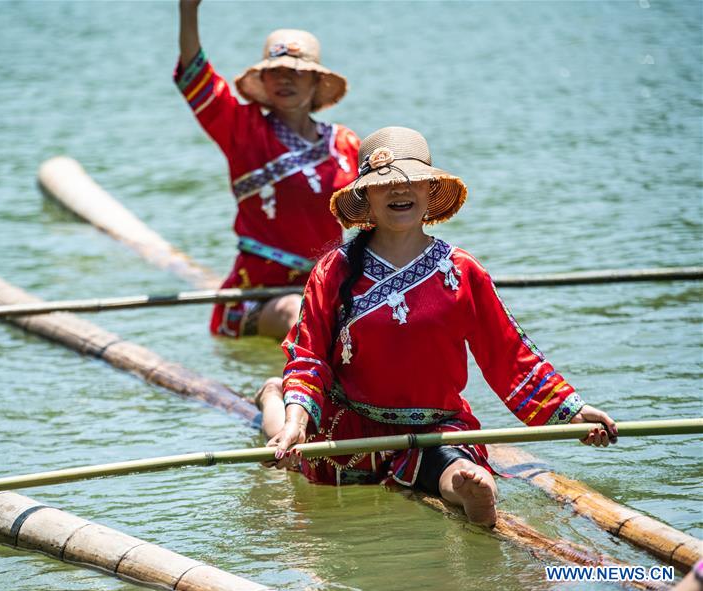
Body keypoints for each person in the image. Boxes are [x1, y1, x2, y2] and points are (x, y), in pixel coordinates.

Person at [257, 126, 618, 527]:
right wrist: (296, 424)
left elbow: (510, 354)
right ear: (366, 199)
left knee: (455, 470)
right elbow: (308, 357)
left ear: (430, 193)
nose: (400, 191)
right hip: (350, 430)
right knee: (286, 441)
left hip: (434, 428)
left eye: (413, 182)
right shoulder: (333, 271)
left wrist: (572, 412)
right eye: (385, 185)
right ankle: (273, 400)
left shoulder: (462, 271)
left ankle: (468, 489)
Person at [176, 0, 360, 339]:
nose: (285, 79)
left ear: (317, 83)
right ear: (263, 79)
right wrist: (189, 10)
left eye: (297, 72)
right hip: (256, 297)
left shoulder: (346, 144)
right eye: (276, 71)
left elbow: (377, 221)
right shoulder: (241, 129)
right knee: (297, 313)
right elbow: (196, 80)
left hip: (326, 289)